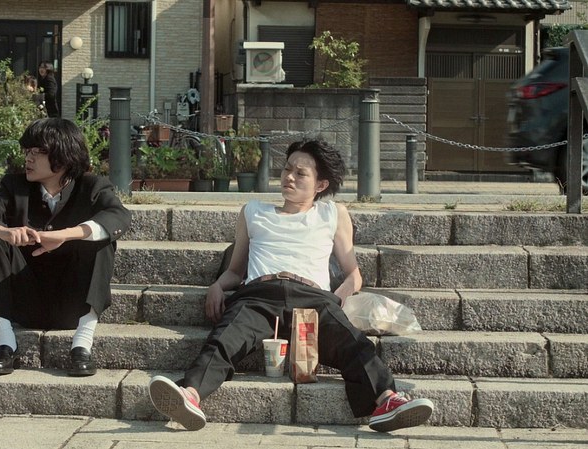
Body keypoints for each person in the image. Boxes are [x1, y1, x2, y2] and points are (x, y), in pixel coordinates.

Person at [147, 139, 434, 432]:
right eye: (287, 169)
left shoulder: (332, 213)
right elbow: (235, 270)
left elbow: (353, 275)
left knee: (354, 344)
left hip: (313, 298)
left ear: (320, 184)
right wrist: (217, 286)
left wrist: (335, 302)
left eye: (300, 173)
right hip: (258, 296)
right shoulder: (253, 212)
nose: (289, 177)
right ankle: (190, 394)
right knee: (224, 339)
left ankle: (387, 400)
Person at [0, 118, 131, 377]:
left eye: (36, 152)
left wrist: (65, 235)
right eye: (26, 151)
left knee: (101, 238)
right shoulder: (13, 186)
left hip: (73, 303)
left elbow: (119, 216)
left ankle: (82, 345)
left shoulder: (92, 186)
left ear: (63, 156)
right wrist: (4, 232)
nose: (27, 158)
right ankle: (5, 344)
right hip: (22, 300)